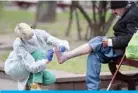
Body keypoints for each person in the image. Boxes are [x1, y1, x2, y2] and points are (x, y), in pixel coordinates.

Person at [54, 1, 138, 90]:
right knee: (94, 55)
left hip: (128, 50)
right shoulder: (128, 12)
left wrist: (110, 42)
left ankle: (66, 56)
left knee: (98, 40)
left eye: (114, 9)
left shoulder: (133, 14)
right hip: (120, 47)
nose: (113, 12)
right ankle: (93, 90)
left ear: (122, 7)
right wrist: (110, 41)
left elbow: (131, 37)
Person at [4, 23, 69, 90]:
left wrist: (61, 46)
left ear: (31, 28)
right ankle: (35, 86)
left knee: (50, 78)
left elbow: (54, 40)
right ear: (21, 38)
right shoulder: (19, 44)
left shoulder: (39, 33)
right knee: (40, 53)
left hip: (31, 65)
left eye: (32, 35)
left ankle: (29, 84)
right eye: (28, 38)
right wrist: (46, 60)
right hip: (16, 67)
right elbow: (31, 66)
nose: (32, 38)